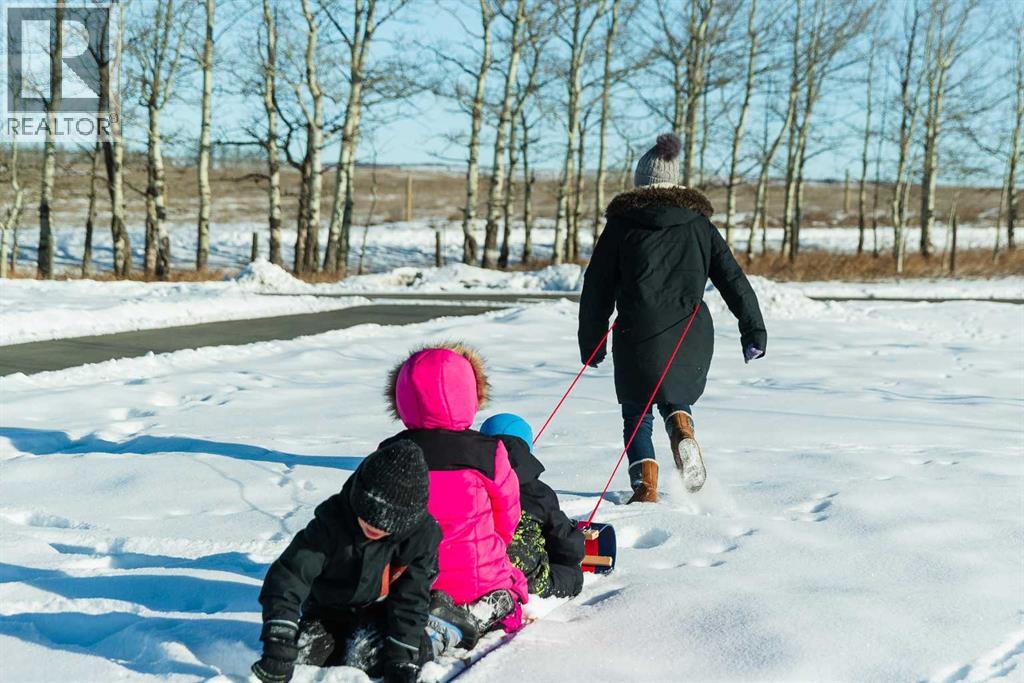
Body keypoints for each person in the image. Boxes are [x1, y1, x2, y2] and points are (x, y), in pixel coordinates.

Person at [578, 132, 767, 504]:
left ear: (640, 181)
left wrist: (592, 342)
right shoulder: (699, 226)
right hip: (690, 334)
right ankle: (681, 424)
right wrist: (753, 330)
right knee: (674, 395)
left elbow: (596, 286)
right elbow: (732, 279)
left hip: (636, 332)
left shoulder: (621, 226)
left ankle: (645, 487)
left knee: (637, 412)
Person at [252, 440, 464, 683]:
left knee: (381, 660)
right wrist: (278, 638)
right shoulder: (331, 523)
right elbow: (290, 576)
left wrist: (402, 658)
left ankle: (440, 629)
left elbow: (410, 598)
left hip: (386, 615)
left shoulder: (419, 538)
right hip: (329, 612)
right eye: (367, 516)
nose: (373, 527)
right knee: (302, 660)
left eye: (385, 526)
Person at [379, 343, 529, 642]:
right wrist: (494, 545)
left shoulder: (390, 452)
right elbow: (508, 514)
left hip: (409, 580)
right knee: (510, 595)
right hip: (476, 580)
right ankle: (477, 615)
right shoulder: (489, 452)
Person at [480, 413, 585, 599]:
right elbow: (567, 548)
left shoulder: (470, 483)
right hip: (530, 583)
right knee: (573, 575)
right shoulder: (538, 492)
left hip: (478, 574)